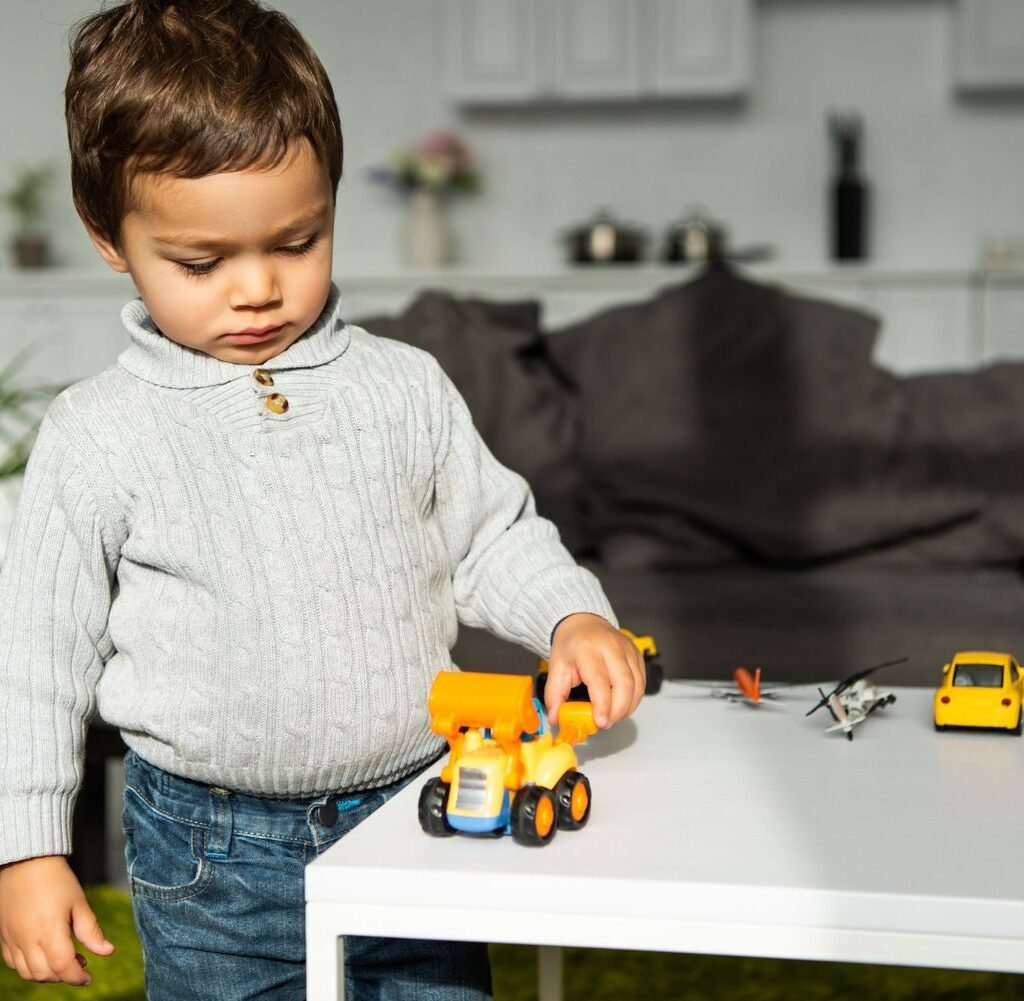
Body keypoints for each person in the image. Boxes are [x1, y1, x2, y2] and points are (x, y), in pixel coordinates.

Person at [0, 1, 646, 998]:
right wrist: (26, 848)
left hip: (419, 814)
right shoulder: (98, 433)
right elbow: (34, 659)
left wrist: (569, 612)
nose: (256, 289)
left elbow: (489, 535)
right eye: (201, 262)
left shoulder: (405, 387)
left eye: (298, 241)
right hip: (211, 854)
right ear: (110, 237)